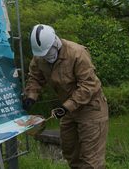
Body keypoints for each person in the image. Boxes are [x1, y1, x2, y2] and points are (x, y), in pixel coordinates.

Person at [22, 24, 109, 169]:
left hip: (91, 108)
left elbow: (89, 85)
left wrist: (67, 107)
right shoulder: (40, 57)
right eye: (42, 54)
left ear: (55, 42)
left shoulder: (77, 53)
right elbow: (35, 77)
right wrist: (31, 96)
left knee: (91, 159)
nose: (45, 57)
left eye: (48, 52)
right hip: (67, 109)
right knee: (70, 151)